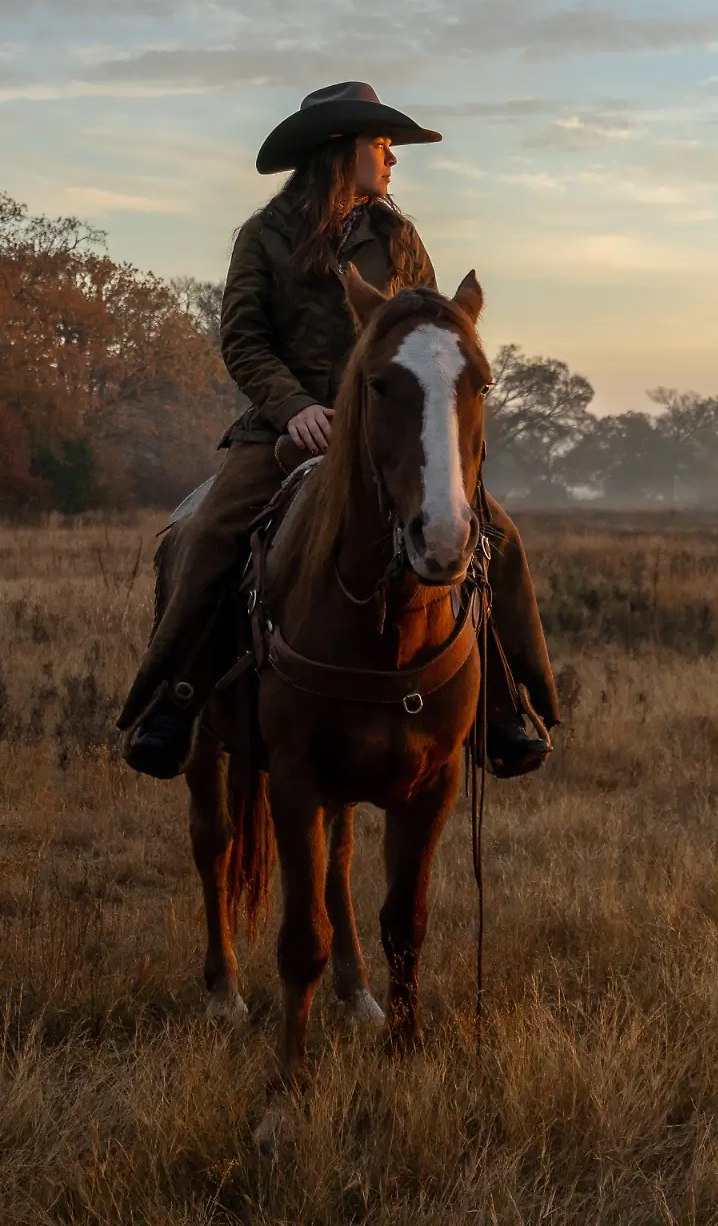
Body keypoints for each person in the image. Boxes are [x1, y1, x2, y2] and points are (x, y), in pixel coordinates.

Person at [118, 81, 559, 780]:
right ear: (338, 151)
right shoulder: (263, 236)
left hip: (382, 431)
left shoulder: (399, 238)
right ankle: (171, 699)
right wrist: (294, 407)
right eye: (380, 147)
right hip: (280, 429)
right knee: (207, 537)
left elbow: (424, 337)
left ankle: (507, 705)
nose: (391, 161)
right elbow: (243, 338)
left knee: (495, 538)